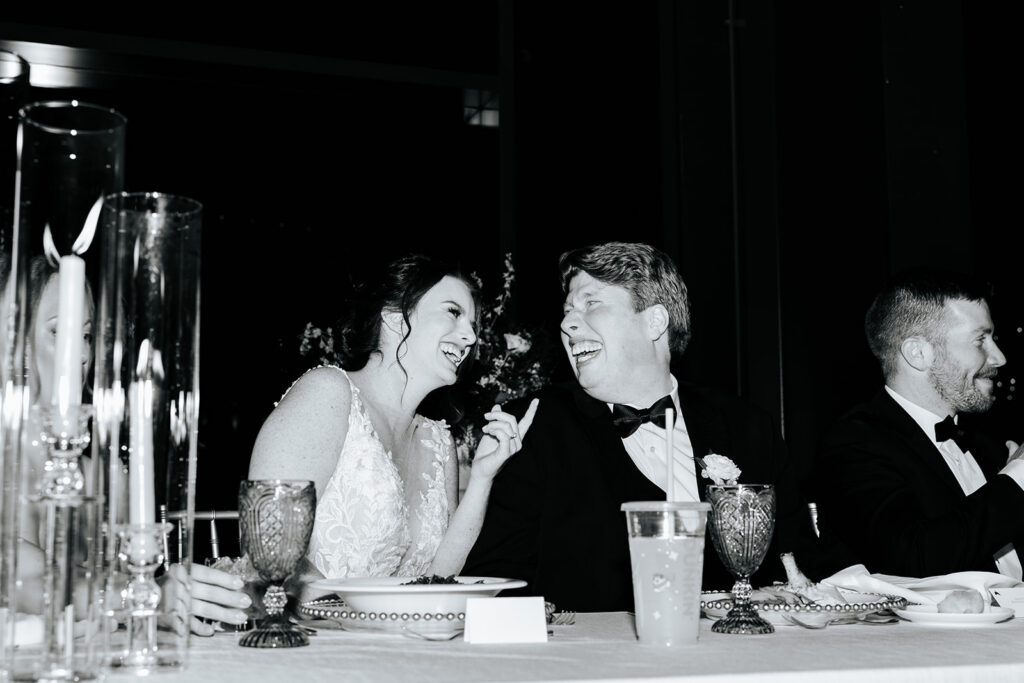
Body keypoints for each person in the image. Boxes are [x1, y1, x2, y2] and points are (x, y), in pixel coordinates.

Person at [463, 241, 827, 612]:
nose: (567, 323)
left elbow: (805, 564)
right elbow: (495, 584)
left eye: (591, 303)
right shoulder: (535, 425)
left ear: (655, 322)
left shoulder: (747, 427)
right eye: (568, 310)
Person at [247, 253, 539, 588]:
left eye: (472, 326)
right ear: (395, 320)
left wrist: (483, 479)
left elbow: (439, 579)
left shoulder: (438, 442)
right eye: (453, 312)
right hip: (312, 620)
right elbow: (268, 547)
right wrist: (356, 612)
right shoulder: (328, 394)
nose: (471, 338)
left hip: (401, 624)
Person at [5, 254, 250, 635]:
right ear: (15, 344)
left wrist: (158, 604)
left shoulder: (108, 480)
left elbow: (121, 602)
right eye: (60, 331)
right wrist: (146, 595)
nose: (82, 354)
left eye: (87, 336)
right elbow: (19, 575)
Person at [812, 268, 1024, 578]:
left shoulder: (987, 447)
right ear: (918, 353)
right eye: (980, 340)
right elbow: (913, 559)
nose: (999, 357)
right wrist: (1018, 477)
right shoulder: (855, 444)